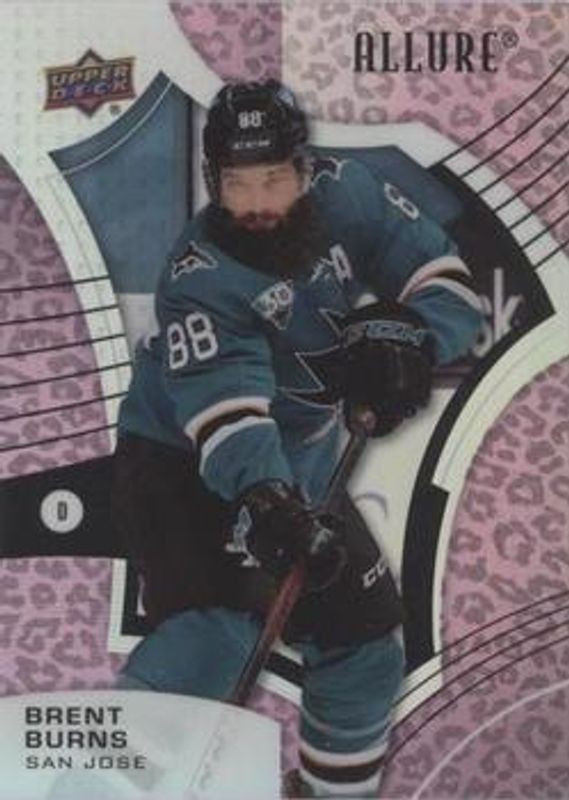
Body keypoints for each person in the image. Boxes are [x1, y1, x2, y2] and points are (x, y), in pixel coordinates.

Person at [113, 79, 482, 798]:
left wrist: (411, 340)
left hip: (301, 460)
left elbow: (446, 282)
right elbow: (227, 417)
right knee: (216, 637)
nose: (257, 203)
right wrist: (269, 505)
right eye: (237, 184)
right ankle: (98, 788)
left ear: (304, 170)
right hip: (184, 465)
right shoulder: (199, 278)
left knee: (365, 645)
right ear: (213, 181)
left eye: (274, 179)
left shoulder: (350, 193)